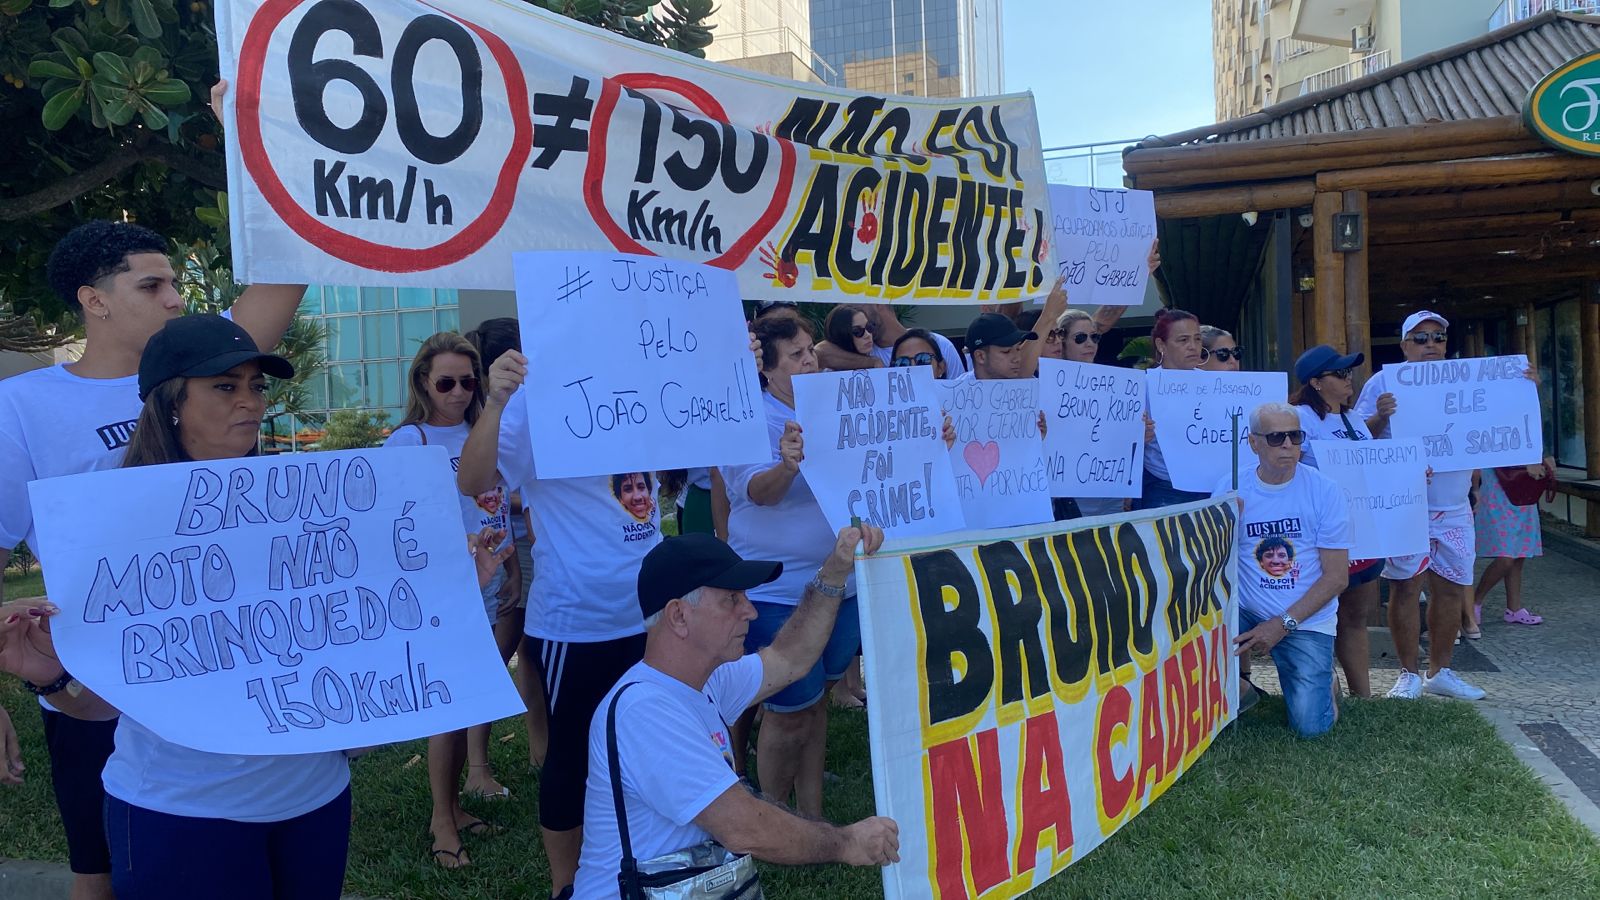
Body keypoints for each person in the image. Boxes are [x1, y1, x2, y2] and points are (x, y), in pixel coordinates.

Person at [0, 213, 304, 900]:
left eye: (174, 284)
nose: (176, 299)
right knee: (101, 870)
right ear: (94, 299)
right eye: (153, 285)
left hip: (223, 668)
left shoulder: (207, 365)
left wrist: (260, 143)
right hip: (95, 680)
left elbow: (292, 262)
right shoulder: (22, 405)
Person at [570, 525, 899, 899]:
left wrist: (836, 570)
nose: (751, 611)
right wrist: (847, 842)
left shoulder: (702, 680)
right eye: (732, 599)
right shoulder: (644, 711)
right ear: (678, 616)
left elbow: (790, 658)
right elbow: (744, 827)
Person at [459, 348, 662, 898]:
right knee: (573, 752)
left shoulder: (650, 375)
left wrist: (732, 364)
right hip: (581, 622)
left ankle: (641, 860)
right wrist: (496, 402)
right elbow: (473, 479)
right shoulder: (533, 399)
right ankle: (565, 885)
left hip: (657, 612)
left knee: (646, 742)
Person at [383, 332, 517, 866]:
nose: (459, 392)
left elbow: (497, 505)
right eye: (446, 382)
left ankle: (457, 804)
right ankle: (442, 818)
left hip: (488, 582)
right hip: (441, 591)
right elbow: (392, 523)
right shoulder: (408, 442)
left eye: (468, 380)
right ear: (422, 382)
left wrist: (510, 566)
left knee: (471, 699)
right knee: (449, 705)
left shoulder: (487, 429)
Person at [720, 313, 856, 816]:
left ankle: (812, 811)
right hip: (777, 591)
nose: (810, 359)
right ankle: (775, 815)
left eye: (810, 350)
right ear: (770, 370)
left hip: (841, 584)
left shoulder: (838, 408)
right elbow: (756, 492)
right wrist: (786, 466)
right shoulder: (746, 417)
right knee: (788, 708)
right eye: (797, 354)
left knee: (815, 701)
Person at [1355, 309, 1513, 701]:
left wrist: (1523, 384)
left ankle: (1440, 671)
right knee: (1405, 588)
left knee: (1451, 588)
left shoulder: (1466, 379)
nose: (1431, 345)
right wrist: (1380, 416)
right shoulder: (1384, 382)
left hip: (1455, 505)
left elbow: (1504, 416)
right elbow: (1357, 439)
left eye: (1438, 337)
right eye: (1421, 338)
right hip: (1406, 505)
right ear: (1405, 344)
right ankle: (1407, 673)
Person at [1220, 401, 1352, 738]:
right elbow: (1212, 562)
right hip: (1245, 610)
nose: (1289, 445)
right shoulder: (1230, 488)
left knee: (1311, 729)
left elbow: (1337, 577)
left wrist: (1283, 624)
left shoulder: (1324, 490)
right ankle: (1242, 691)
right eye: (1277, 437)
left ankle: (1326, 680)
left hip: (1304, 617)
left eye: (1295, 436)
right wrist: (1223, 523)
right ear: (1254, 443)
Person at [1291, 344, 1386, 698]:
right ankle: (1323, 692)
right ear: (1315, 382)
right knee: (1320, 617)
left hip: (1361, 531)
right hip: (1320, 534)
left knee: (1355, 615)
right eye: (1341, 374)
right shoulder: (1298, 418)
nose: (1350, 380)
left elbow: (1373, 469)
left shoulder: (1354, 420)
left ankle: (1363, 696)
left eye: (1349, 373)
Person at [1137, 308, 1207, 509]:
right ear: (1161, 345)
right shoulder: (1144, 385)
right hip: (1163, 486)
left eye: (1197, 339)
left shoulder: (1215, 384)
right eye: (1183, 340)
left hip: (1211, 486)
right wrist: (1138, 436)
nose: (1193, 347)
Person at [1472, 459, 1554, 629]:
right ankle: (1475, 601)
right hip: (1499, 486)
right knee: (1506, 556)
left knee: (1519, 553)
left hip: (1521, 484)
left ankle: (1513, 608)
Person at [852, 304, 968, 379]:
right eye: (902, 363)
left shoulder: (940, 344)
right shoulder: (860, 353)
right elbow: (832, 355)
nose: (852, 316)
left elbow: (958, 396)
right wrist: (870, 362)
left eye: (923, 360)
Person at [815, 305, 883, 371]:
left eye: (869, 327)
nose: (868, 335)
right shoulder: (829, 372)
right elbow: (820, 352)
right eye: (857, 331)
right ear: (841, 335)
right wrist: (871, 362)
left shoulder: (877, 352)